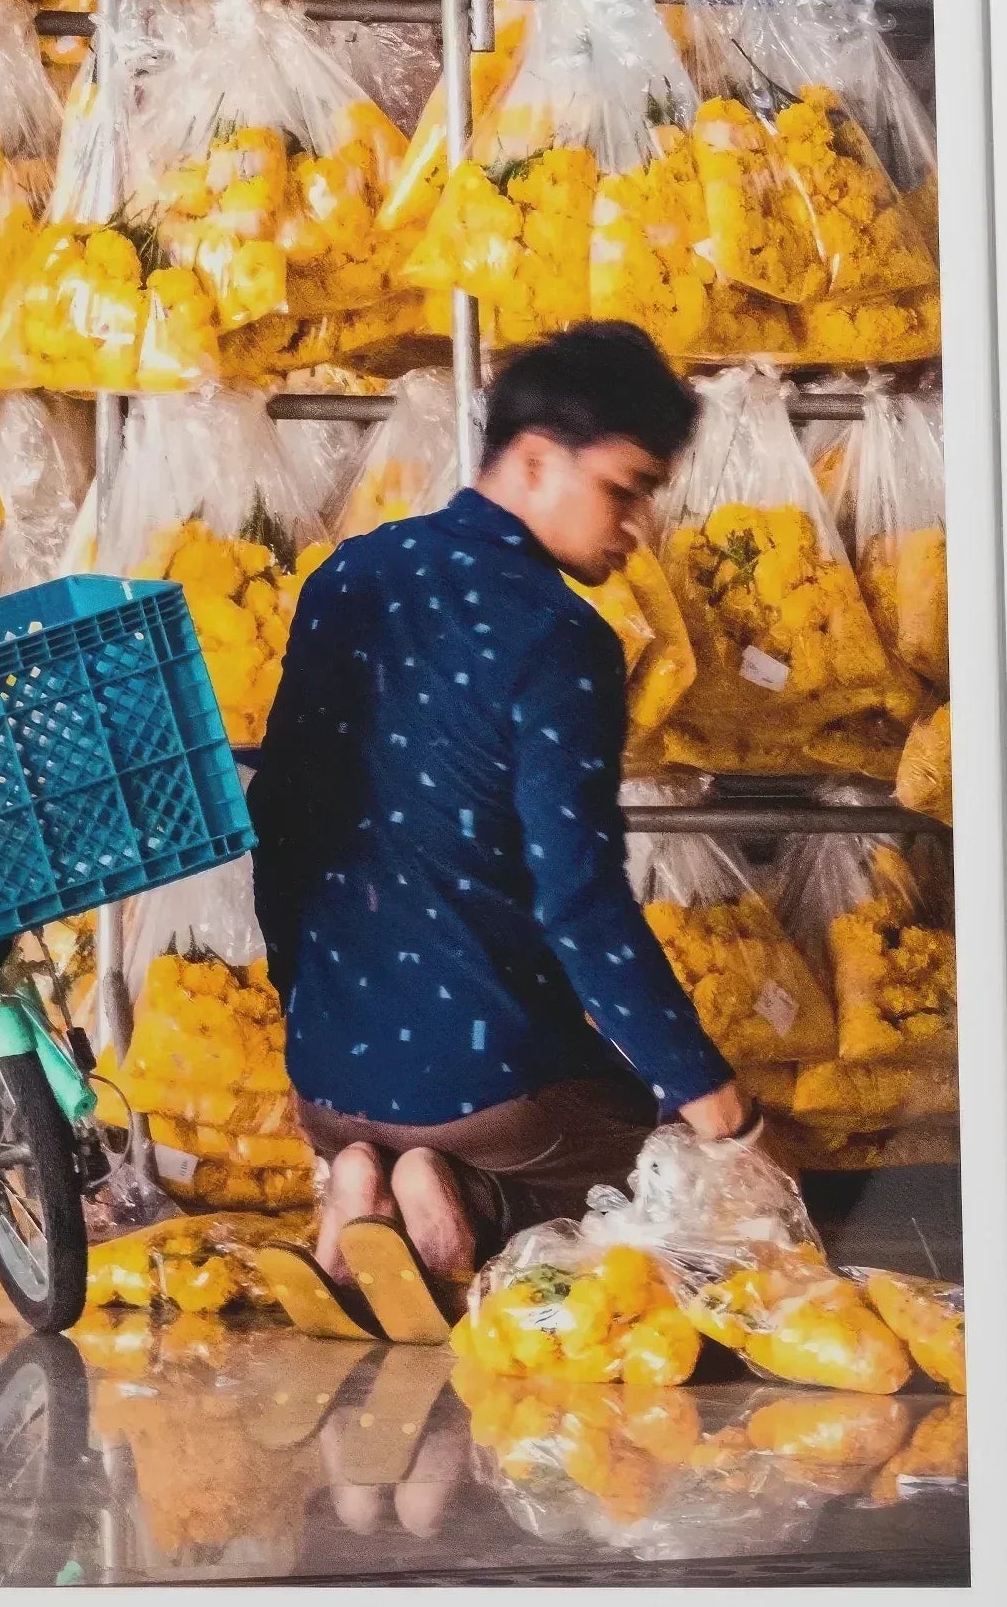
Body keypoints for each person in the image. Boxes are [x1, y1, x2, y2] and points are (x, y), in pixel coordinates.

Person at [249, 321, 755, 1291]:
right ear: (532, 460)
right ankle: (476, 1205)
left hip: (323, 1074)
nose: (639, 524)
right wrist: (718, 1107)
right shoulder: (561, 637)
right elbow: (582, 908)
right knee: (656, 1180)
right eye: (625, 488)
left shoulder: (341, 577)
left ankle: (365, 1177)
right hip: (486, 1093)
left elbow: (280, 824)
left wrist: (309, 1013)